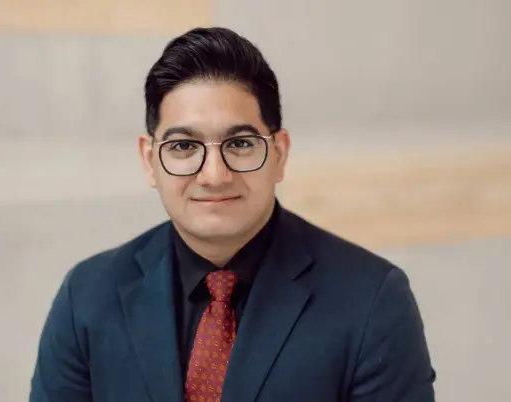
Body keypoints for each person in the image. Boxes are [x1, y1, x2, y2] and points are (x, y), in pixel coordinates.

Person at [30, 27, 436, 402]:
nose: (214, 175)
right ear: (149, 160)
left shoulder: (371, 301)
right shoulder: (87, 296)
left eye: (240, 144)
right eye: (184, 147)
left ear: (279, 154)